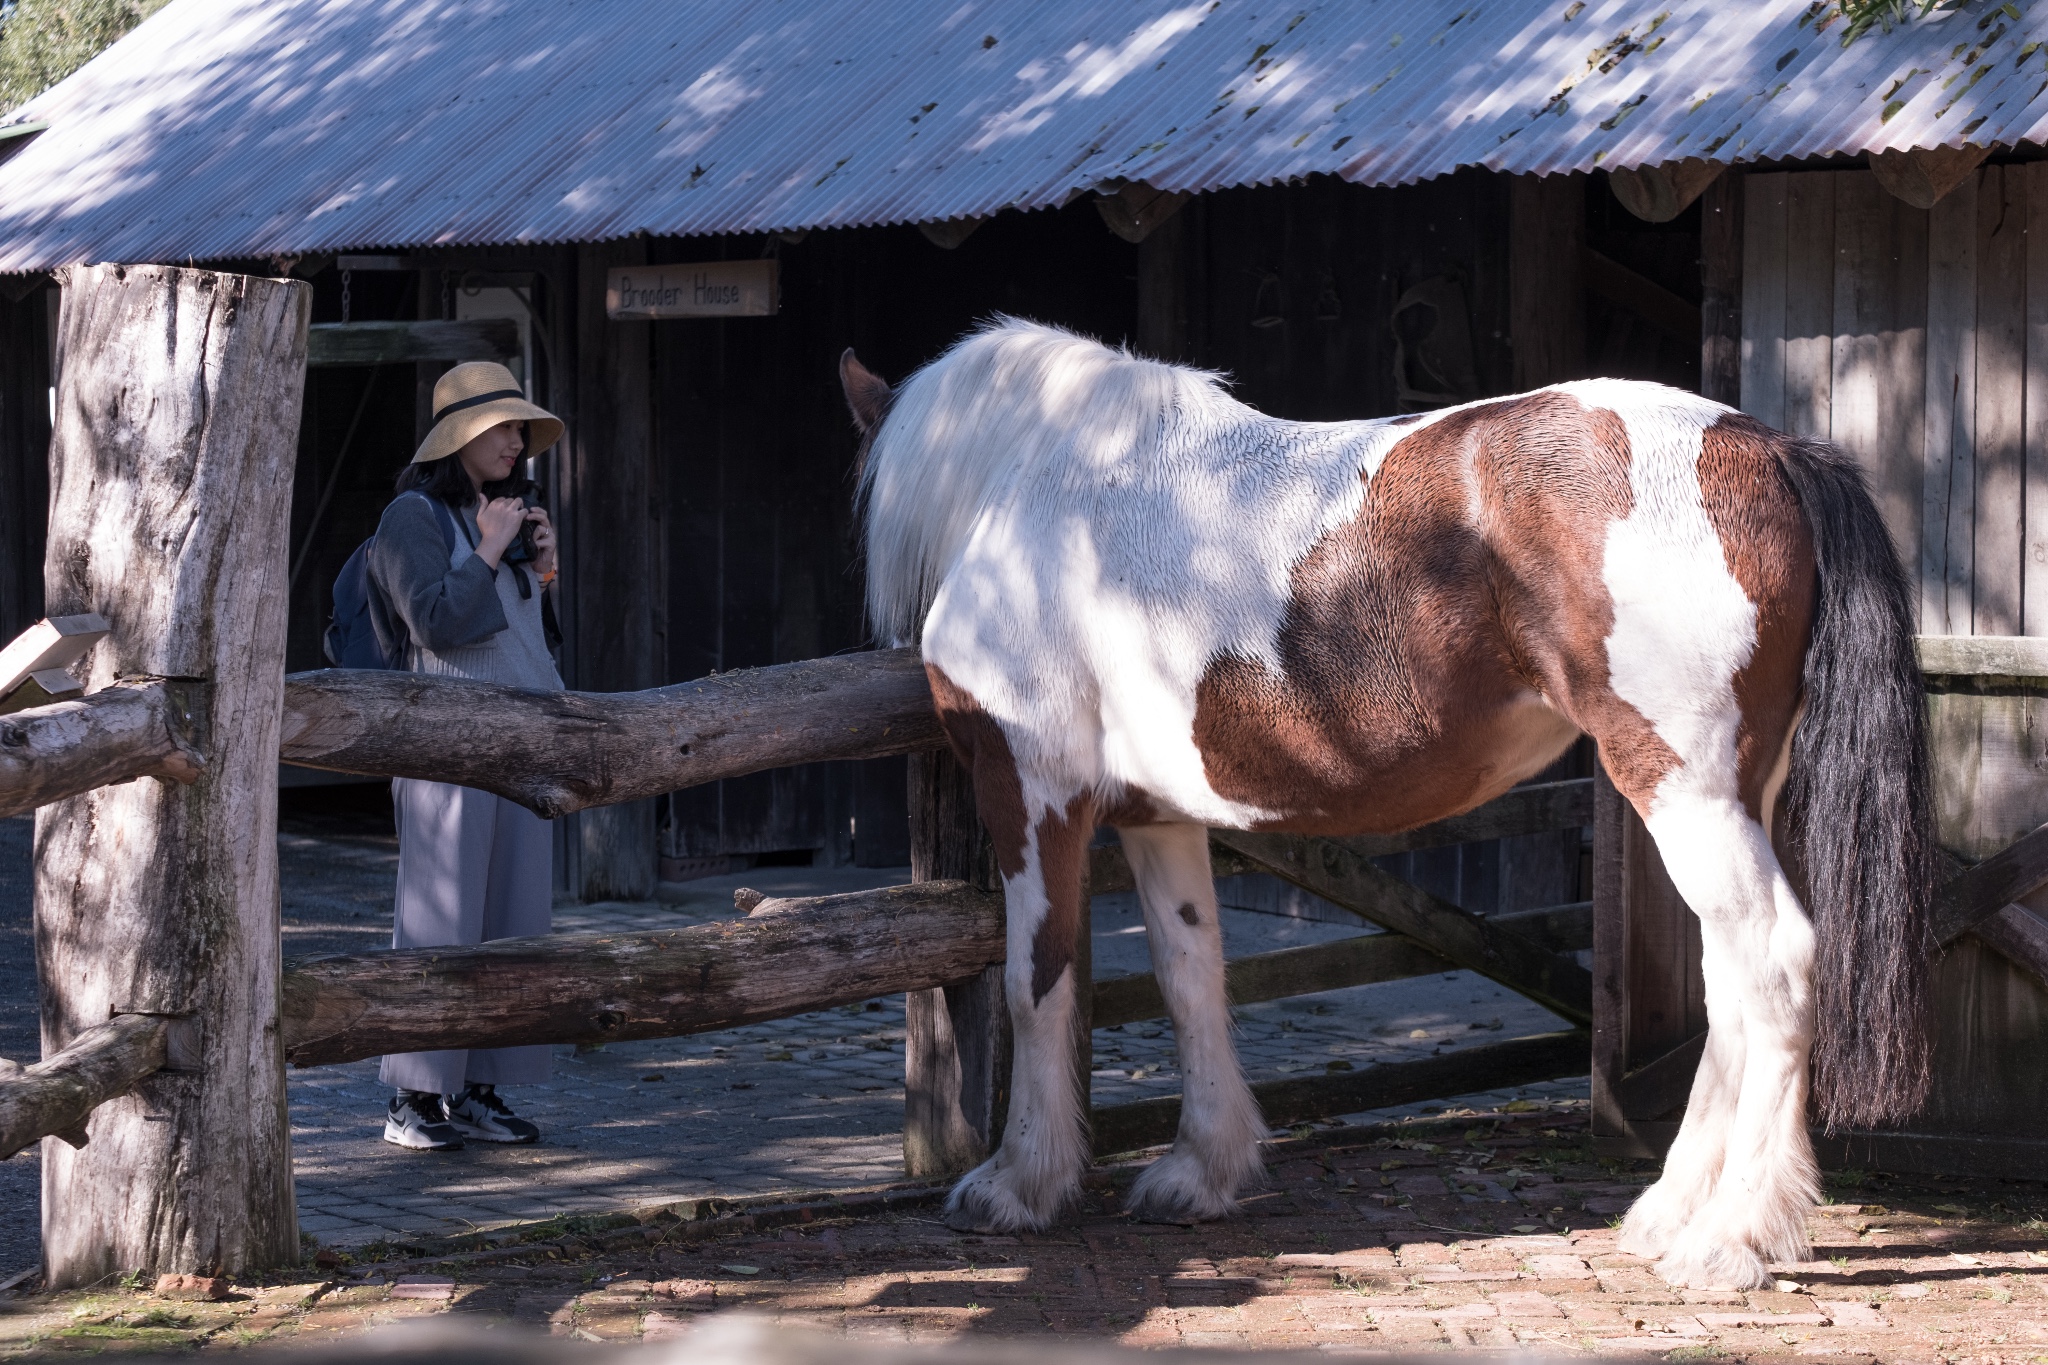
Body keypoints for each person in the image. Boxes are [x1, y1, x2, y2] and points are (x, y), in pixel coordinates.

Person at [366, 360, 565, 1151]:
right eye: (504, 428)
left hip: (522, 743)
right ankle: (412, 1098)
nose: (518, 441)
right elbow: (436, 625)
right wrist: (487, 550)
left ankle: (482, 1091)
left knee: (514, 923)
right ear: (460, 437)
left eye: (522, 429)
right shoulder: (411, 517)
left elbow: (528, 645)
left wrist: (541, 571)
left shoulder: (509, 514)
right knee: (441, 920)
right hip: (446, 747)